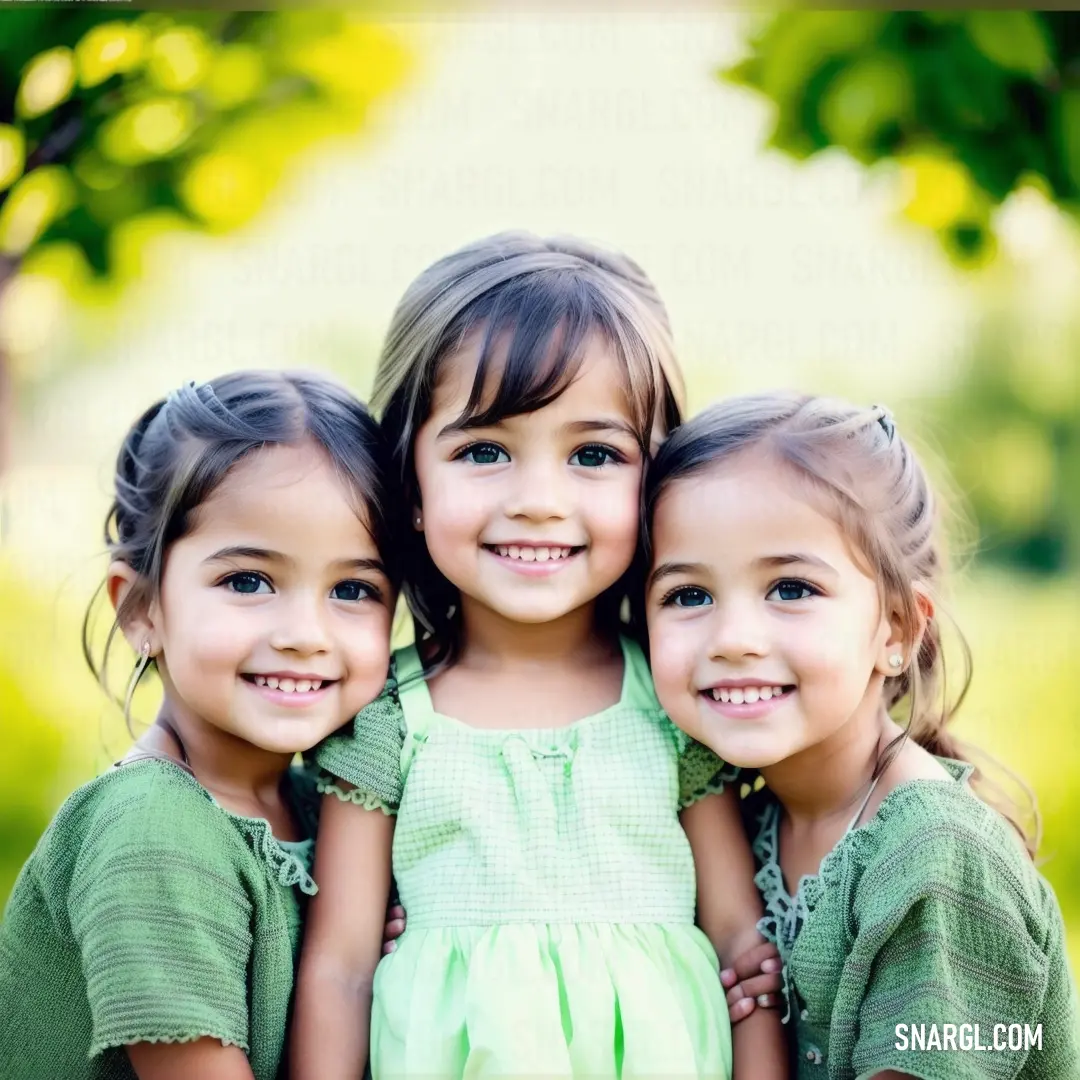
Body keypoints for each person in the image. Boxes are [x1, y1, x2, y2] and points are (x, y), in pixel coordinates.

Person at [293, 232, 788, 1079]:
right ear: (409, 483)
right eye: (484, 452)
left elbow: (747, 958)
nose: (537, 502)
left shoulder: (675, 699)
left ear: (657, 479)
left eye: (594, 455)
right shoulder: (386, 718)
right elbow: (340, 969)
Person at [643, 391, 1080, 1079]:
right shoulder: (733, 820)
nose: (732, 640)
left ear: (898, 629)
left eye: (790, 589)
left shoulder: (936, 858)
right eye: (687, 595)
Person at [0, 370, 402, 1080]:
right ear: (142, 610)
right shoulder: (154, 830)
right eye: (248, 581)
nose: (304, 634)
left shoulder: (321, 806)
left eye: (353, 589)